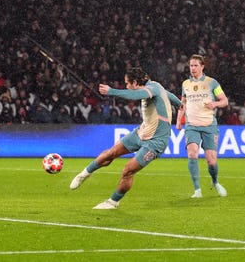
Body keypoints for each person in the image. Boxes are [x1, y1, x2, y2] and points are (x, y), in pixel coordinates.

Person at [69, 67, 181, 209]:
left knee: (128, 170)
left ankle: (113, 202)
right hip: (141, 132)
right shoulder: (157, 87)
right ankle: (84, 174)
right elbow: (170, 96)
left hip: (156, 141)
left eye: (127, 84)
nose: (127, 87)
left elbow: (134, 96)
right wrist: (181, 106)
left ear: (135, 82)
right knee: (111, 153)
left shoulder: (151, 89)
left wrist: (112, 91)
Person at [176, 54, 228, 198]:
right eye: (191, 65)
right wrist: (178, 120)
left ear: (202, 66)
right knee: (192, 153)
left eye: (195, 65)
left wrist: (215, 104)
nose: (192, 68)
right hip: (191, 125)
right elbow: (183, 104)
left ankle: (215, 181)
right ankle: (197, 190)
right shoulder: (185, 84)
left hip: (209, 125)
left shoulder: (212, 83)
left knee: (211, 161)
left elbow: (224, 100)